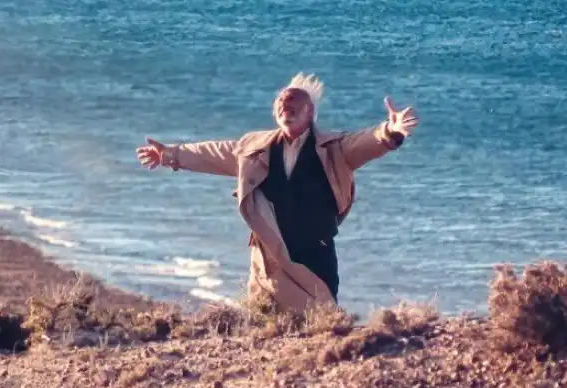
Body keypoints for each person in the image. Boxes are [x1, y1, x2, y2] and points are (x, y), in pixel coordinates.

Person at [136, 73, 419, 313]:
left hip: (316, 250)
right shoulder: (254, 148)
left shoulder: (334, 148)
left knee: (323, 316)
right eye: (282, 103)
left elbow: (367, 142)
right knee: (265, 319)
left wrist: (391, 131)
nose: (286, 105)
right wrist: (170, 155)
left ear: (310, 112)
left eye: (294, 103)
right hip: (268, 254)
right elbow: (214, 153)